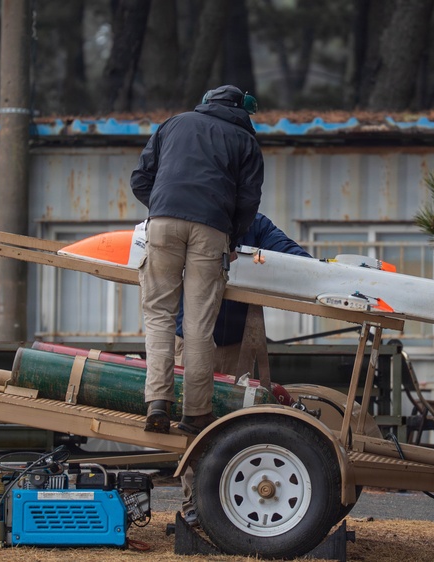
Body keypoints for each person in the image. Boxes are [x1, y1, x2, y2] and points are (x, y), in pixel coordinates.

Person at [130, 85, 263, 436]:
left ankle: (157, 401)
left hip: (161, 224)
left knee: (159, 316)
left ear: (205, 103)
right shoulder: (245, 140)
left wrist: (163, 209)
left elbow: (140, 179)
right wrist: (230, 237)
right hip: (212, 229)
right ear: (241, 110)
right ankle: (196, 413)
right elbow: (249, 200)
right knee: (199, 326)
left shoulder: (172, 124)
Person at [175, 213, 311, 525]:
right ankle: (194, 503)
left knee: (236, 426)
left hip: (236, 343)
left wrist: (265, 261)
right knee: (191, 423)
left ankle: (225, 506)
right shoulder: (192, 218)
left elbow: (295, 257)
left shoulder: (255, 224)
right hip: (192, 337)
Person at [174, 213, 312, 375]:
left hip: (237, 349)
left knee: (236, 400)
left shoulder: (255, 224)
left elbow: (288, 251)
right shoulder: (192, 220)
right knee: (187, 398)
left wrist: (316, 269)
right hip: (190, 342)